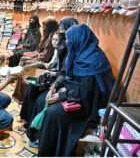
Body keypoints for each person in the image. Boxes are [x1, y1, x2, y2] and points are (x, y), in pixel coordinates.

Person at [36, 24, 113, 156]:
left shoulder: (94, 60)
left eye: (67, 39)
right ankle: (43, 141)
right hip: (76, 93)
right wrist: (55, 87)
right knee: (43, 99)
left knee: (53, 113)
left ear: (79, 39)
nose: (66, 42)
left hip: (89, 105)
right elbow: (64, 72)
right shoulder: (78, 52)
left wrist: (62, 95)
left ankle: (53, 151)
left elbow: (89, 91)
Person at [19, 17, 80, 146]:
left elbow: (70, 75)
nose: (63, 34)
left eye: (64, 30)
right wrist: (54, 83)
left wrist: (57, 86)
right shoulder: (62, 44)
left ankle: (37, 135)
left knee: (42, 97)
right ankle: (28, 120)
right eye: (61, 29)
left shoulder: (73, 48)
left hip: (67, 86)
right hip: (59, 79)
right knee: (32, 84)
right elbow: (63, 70)